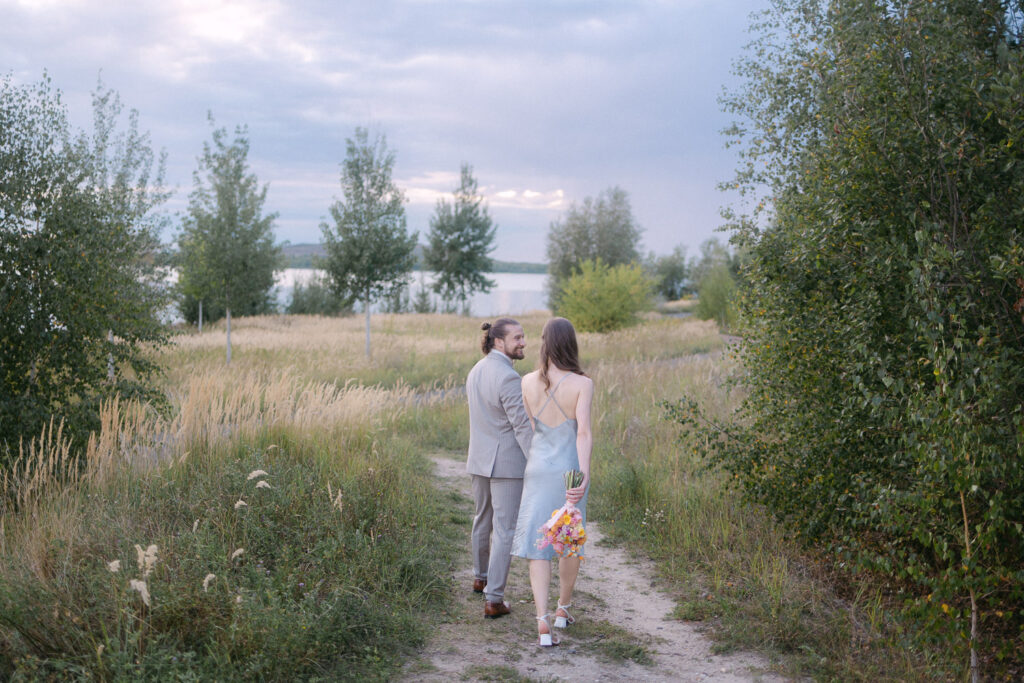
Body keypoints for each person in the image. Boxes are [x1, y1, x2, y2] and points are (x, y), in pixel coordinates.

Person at [511, 317, 593, 647]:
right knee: (568, 540)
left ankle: (542, 621)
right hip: (568, 471)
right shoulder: (582, 384)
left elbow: (534, 429)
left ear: (545, 342)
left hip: (538, 469)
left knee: (539, 544)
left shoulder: (527, 381)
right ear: (570, 343)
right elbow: (583, 432)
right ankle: (563, 609)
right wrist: (583, 474)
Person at [466, 317, 533, 618]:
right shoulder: (508, 377)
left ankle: (481, 578)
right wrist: (537, 461)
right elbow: (521, 426)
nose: (523, 343)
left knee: (482, 520)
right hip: (505, 463)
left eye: (523, 337)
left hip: (479, 458)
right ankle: (494, 599)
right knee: (505, 529)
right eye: (517, 338)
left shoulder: (476, 370)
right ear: (499, 341)